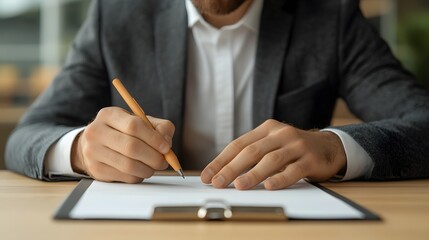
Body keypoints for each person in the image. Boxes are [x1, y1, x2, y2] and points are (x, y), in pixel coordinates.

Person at [5, 0, 429, 190]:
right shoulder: (115, 15)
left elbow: (422, 123)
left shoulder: (330, 16)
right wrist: (80, 149)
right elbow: (27, 136)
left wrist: (334, 146)